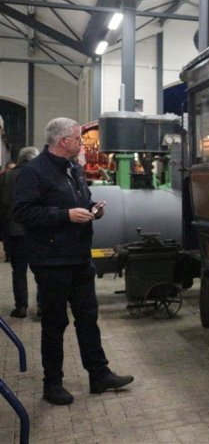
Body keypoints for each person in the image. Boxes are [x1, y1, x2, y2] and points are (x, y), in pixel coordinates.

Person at [13, 117, 133, 406]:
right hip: (51, 260)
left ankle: (99, 374)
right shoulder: (34, 172)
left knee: (88, 317)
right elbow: (23, 212)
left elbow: (83, 199)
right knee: (55, 322)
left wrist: (93, 209)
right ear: (63, 141)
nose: (82, 144)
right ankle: (52, 383)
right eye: (78, 139)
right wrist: (65, 215)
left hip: (79, 257)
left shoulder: (73, 169)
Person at [0, 147, 39, 317]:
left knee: (19, 271)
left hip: (15, 232)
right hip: (39, 231)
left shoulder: (7, 177)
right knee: (42, 270)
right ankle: (43, 306)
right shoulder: (40, 174)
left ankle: (21, 306)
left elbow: (1, 206)